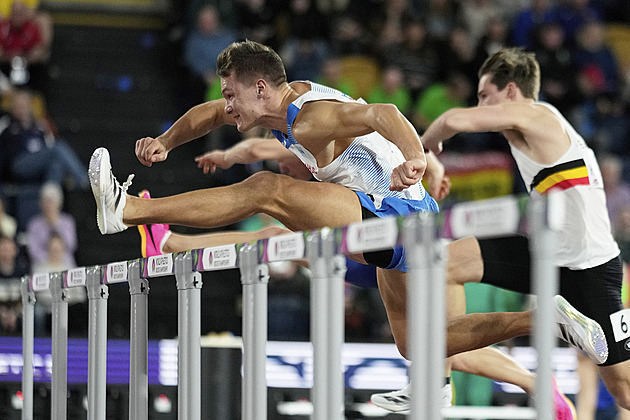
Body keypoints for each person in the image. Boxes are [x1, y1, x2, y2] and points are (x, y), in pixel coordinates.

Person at [89, 41, 595, 415]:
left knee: (270, 193)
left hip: (399, 213)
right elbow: (207, 115)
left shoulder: (311, 119)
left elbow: (384, 111)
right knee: (422, 343)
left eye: (232, 95)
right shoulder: (278, 108)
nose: (228, 105)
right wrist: (166, 141)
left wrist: (416, 156)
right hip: (397, 218)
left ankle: (130, 210)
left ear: (260, 88)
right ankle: (546, 321)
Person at [414, 47, 630, 411]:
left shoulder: (536, 115)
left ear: (511, 91)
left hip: (589, 269)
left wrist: (425, 146)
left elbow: (452, 119)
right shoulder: (525, 129)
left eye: (485, 96)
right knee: (443, 263)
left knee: (624, 391)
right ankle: (440, 376)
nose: (481, 105)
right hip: (545, 254)